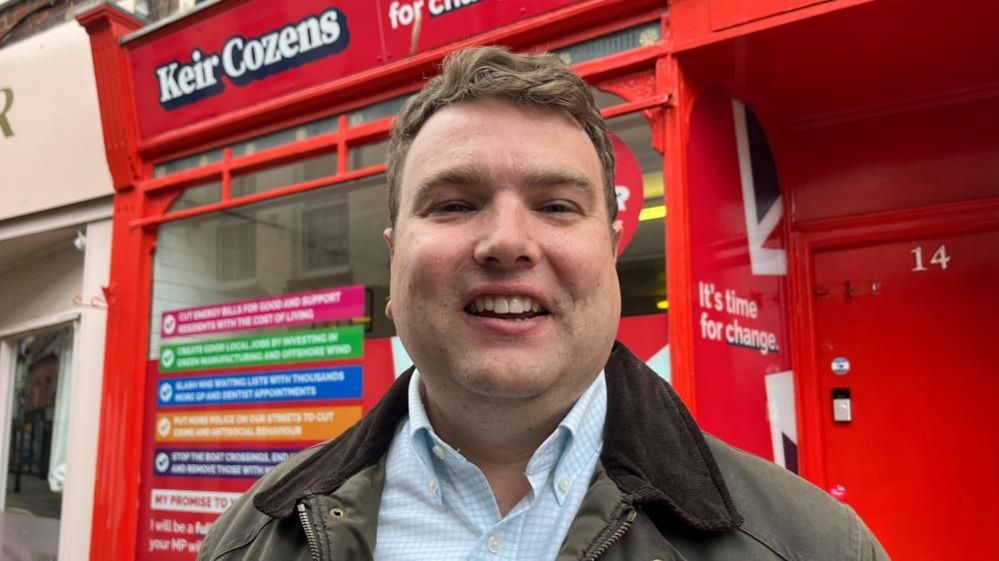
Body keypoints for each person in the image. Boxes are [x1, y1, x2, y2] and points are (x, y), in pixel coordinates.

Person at [198, 46, 888, 561]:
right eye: (454, 203)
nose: (506, 241)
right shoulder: (247, 541)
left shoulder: (812, 547)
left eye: (556, 206)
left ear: (612, 250)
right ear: (394, 254)